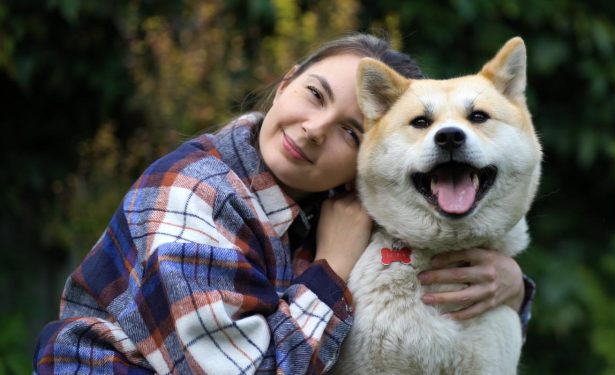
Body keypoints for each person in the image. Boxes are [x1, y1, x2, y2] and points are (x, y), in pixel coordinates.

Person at [33, 33, 534, 374]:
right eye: (314, 95)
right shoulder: (190, 194)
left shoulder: (342, 203)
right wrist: (331, 268)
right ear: (287, 80)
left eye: (350, 131)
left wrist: (512, 289)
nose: (314, 131)